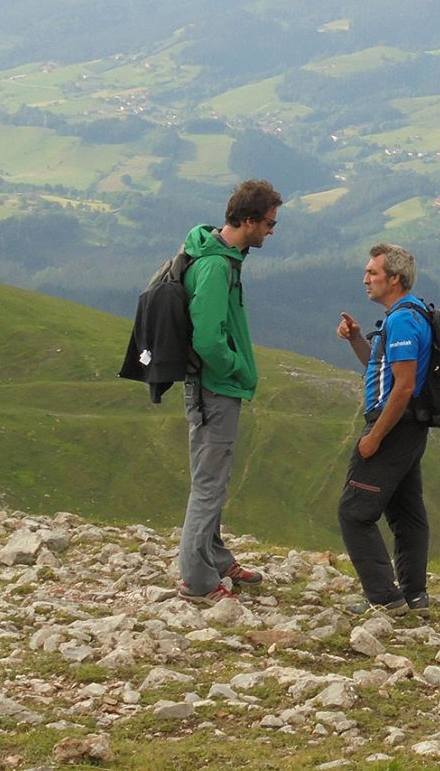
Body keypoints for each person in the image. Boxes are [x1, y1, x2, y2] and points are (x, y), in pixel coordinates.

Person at [176, 179, 281, 603]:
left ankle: (216, 558)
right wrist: (238, 369)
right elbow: (208, 341)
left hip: (216, 388)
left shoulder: (223, 257)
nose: (272, 231)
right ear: (250, 220)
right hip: (214, 388)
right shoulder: (216, 267)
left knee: (214, 480)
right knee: (208, 485)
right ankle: (198, 582)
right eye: (269, 224)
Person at [335, 243, 433, 616]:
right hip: (409, 428)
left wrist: (375, 437)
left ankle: (384, 598)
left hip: (393, 425)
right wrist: (357, 338)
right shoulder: (407, 314)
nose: (365, 279)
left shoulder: (404, 320)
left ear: (394, 278)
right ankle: (414, 595)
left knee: (354, 512)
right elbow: (382, 371)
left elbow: (404, 386)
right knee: (406, 512)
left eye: (372, 273)